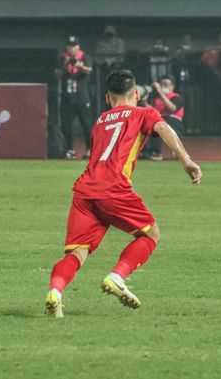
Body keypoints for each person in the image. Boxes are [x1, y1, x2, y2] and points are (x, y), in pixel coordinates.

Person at [45, 69, 202, 318]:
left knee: (77, 252)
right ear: (137, 94)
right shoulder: (144, 113)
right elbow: (164, 129)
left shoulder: (100, 121)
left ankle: (55, 292)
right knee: (151, 234)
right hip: (114, 188)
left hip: (84, 191)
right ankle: (117, 277)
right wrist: (186, 160)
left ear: (108, 98)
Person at [56, 35, 94, 160]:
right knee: (66, 125)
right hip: (67, 97)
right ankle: (69, 150)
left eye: (74, 46)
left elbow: (88, 71)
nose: (72, 48)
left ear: (78, 46)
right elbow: (57, 74)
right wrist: (65, 66)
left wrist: (79, 66)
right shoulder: (63, 59)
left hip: (82, 97)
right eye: (70, 46)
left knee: (87, 125)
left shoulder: (85, 58)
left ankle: (90, 149)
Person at [148, 75, 185, 160]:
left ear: (172, 86)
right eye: (163, 84)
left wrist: (160, 93)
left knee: (165, 126)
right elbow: (153, 111)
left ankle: (177, 150)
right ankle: (156, 152)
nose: (165, 86)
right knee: (153, 127)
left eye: (167, 84)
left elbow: (172, 108)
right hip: (161, 120)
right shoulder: (156, 99)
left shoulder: (176, 97)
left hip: (174, 121)